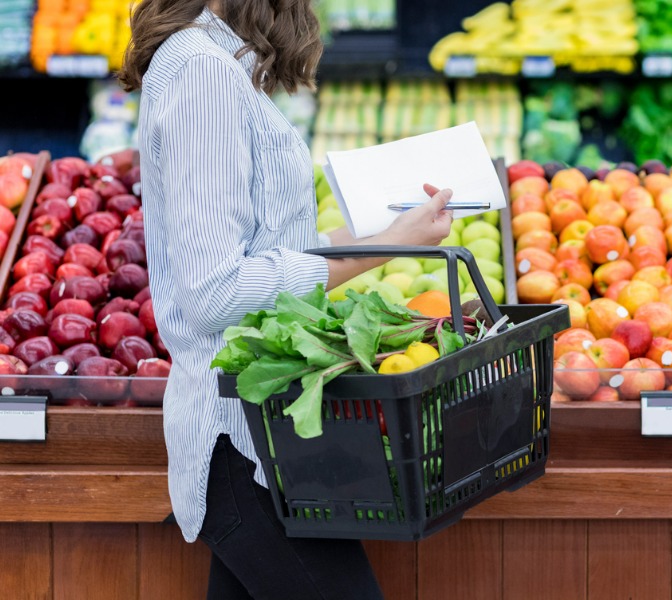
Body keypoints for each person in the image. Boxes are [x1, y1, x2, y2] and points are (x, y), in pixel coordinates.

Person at [119, 1, 453, 597]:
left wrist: (391, 235)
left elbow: (271, 251)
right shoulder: (204, 74)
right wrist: (383, 250)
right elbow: (212, 290)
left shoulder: (216, 63)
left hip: (268, 435)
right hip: (242, 443)